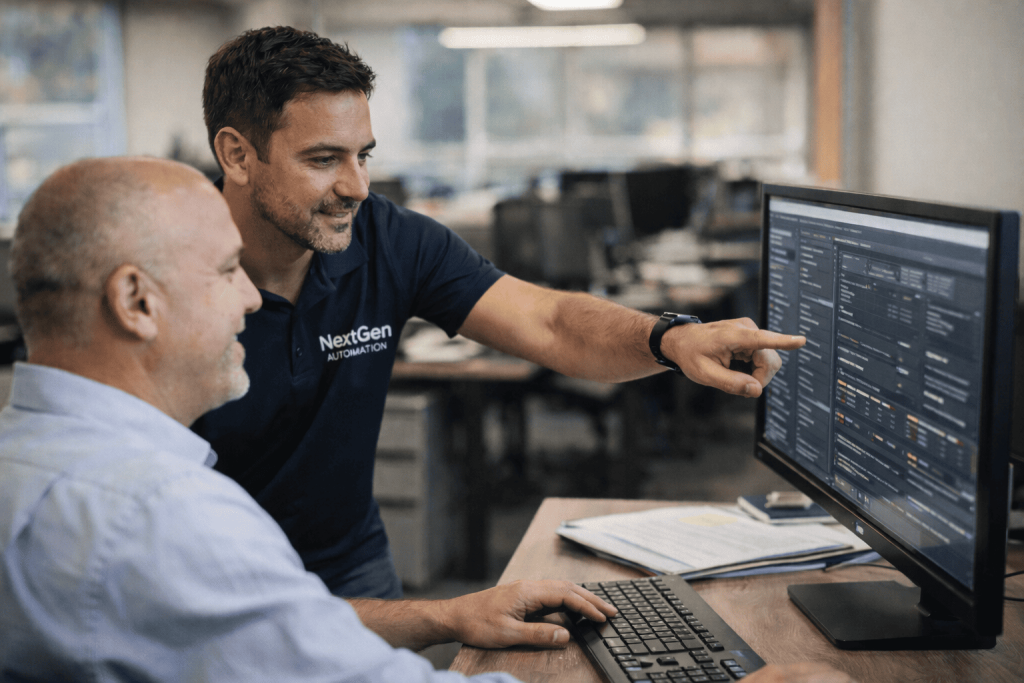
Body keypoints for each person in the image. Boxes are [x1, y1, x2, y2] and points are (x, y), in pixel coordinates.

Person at [0, 156, 853, 683]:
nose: (248, 297)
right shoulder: (163, 517)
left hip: (328, 576)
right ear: (136, 300)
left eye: (363, 154)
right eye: (224, 270)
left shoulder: (30, 463)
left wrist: (447, 615)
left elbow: (254, 625)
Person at [195, 25, 808, 600]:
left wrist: (669, 339)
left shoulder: (390, 239)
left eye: (365, 156)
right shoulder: (164, 275)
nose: (357, 186)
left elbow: (549, 322)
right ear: (238, 156)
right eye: (324, 159)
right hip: (209, 577)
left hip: (349, 560)